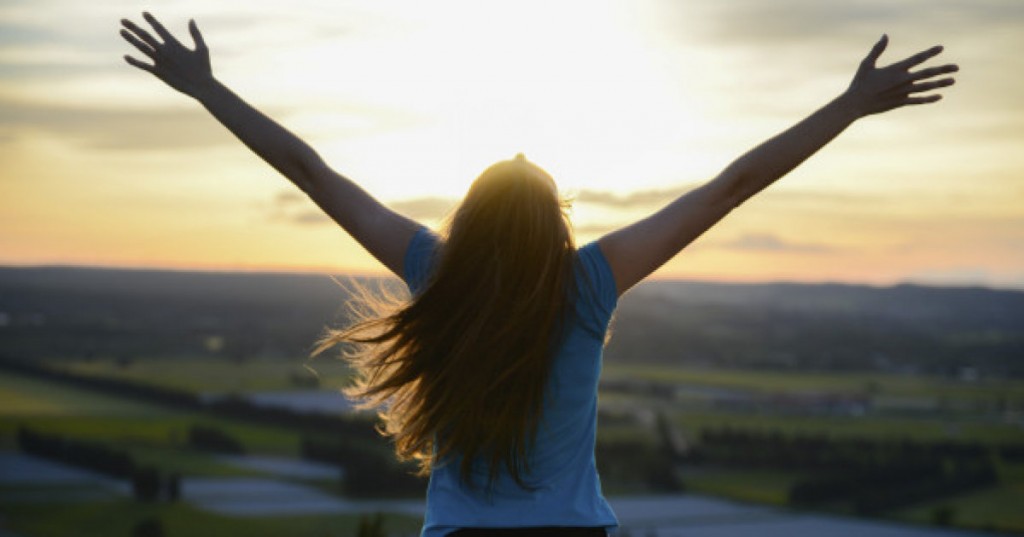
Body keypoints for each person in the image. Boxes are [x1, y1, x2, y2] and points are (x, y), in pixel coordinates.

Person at [120, 12, 958, 536]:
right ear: (556, 223)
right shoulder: (588, 283)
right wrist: (847, 107)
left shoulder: (433, 270)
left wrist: (207, 89)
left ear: (472, 218)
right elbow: (731, 187)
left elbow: (309, 169)